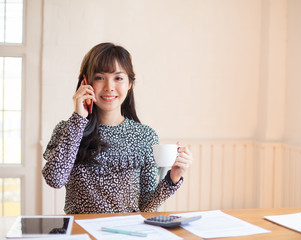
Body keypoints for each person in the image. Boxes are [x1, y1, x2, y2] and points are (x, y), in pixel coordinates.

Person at [42, 42, 193, 214]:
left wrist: (174, 177)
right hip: (80, 232)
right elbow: (54, 179)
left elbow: (146, 206)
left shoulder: (145, 136)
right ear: (86, 82)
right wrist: (78, 119)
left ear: (130, 84)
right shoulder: (67, 130)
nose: (109, 87)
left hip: (126, 232)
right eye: (99, 77)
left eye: (118, 78)